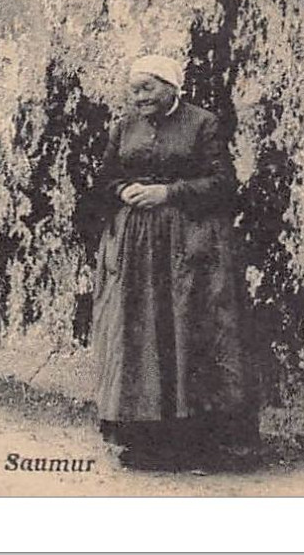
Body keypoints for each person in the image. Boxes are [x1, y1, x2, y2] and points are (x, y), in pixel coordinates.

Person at [90, 54, 257, 471]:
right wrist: (123, 189)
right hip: (136, 253)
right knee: (140, 339)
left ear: (170, 87)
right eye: (133, 89)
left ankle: (200, 445)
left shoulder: (203, 123)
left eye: (147, 88)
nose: (139, 97)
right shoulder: (123, 128)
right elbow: (103, 178)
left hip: (189, 251)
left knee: (187, 334)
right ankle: (146, 442)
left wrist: (168, 193)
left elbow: (222, 183)